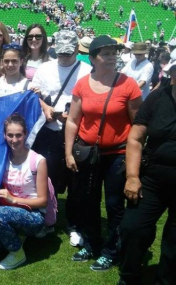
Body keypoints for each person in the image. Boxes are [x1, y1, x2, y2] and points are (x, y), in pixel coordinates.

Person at [64, 35, 142, 271]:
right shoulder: (82, 84)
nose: (111, 57)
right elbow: (72, 121)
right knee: (88, 201)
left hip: (118, 154)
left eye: (113, 53)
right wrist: (68, 152)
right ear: (92, 58)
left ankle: (111, 251)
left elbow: (137, 124)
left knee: (115, 204)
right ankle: (92, 244)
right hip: (88, 153)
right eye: (105, 53)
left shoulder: (128, 84)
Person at [118, 57, 176, 284]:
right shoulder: (156, 98)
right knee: (132, 228)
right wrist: (132, 177)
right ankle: (129, 275)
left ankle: (166, 279)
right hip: (152, 177)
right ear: (171, 73)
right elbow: (135, 138)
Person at [31, 30, 92, 243]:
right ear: (55, 49)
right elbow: (33, 94)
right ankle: (49, 219)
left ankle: (74, 224)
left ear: (76, 49)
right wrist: (46, 107)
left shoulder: (87, 70)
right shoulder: (45, 68)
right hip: (50, 131)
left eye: (69, 52)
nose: (64, 57)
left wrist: (73, 115)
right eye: (61, 53)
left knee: (76, 181)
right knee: (49, 179)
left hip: (77, 133)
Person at [0, 113, 49, 270]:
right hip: (7, 212)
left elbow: (43, 201)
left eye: (19, 135)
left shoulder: (38, 160)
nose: (14, 140)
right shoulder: (0, 158)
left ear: (26, 134)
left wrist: (14, 199)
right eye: (10, 135)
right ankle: (14, 234)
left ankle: (17, 253)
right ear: (4, 135)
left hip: (33, 216)